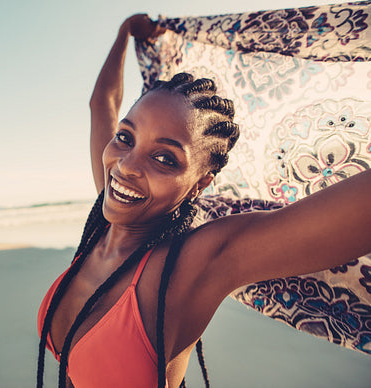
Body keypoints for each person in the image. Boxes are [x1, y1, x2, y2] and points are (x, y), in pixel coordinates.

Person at [37, 14, 371, 388]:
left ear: (200, 183)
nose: (127, 166)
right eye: (126, 138)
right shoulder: (107, 219)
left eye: (164, 158)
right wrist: (124, 32)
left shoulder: (194, 263)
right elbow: (102, 105)